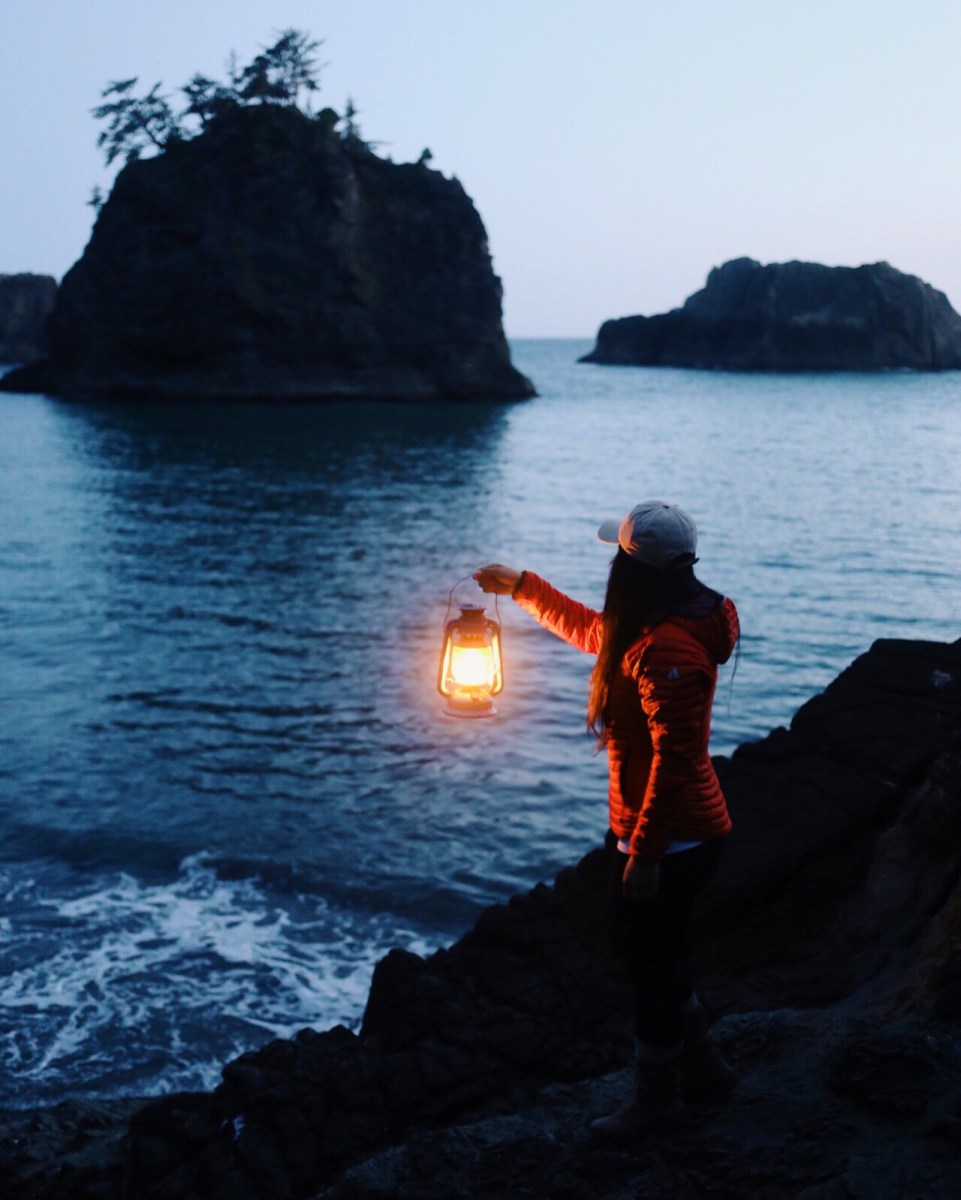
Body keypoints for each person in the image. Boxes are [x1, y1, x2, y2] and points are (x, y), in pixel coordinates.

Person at [474, 500, 739, 1141]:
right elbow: (596, 633)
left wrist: (643, 855)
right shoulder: (659, 625)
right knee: (651, 954)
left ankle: (659, 1102)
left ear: (633, 567)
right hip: (663, 831)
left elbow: (674, 764)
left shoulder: (666, 648)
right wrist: (521, 587)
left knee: (649, 967)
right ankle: (703, 1068)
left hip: (675, 836)